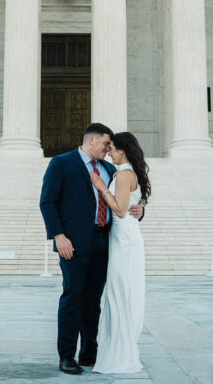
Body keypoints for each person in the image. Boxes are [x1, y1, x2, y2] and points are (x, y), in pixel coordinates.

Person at [39, 123, 143, 375]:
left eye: (111, 146)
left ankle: (89, 351)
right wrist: (58, 235)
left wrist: (140, 211)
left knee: (93, 300)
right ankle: (66, 356)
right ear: (92, 140)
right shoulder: (62, 163)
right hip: (72, 243)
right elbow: (47, 201)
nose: (109, 150)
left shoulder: (110, 169)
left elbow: (122, 203)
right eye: (106, 144)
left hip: (104, 241)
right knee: (73, 296)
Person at [90, 131, 150, 374]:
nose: (109, 152)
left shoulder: (124, 174)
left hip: (124, 238)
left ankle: (121, 353)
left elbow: (121, 210)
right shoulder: (124, 173)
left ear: (122, 150)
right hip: (121, 237)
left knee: (120, 292)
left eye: (112, 148)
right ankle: (117, 348)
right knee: (119, 292)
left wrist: (103, 188)